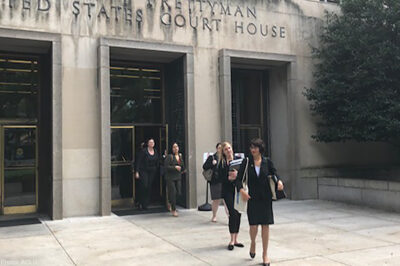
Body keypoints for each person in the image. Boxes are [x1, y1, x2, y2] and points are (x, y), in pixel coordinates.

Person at [237, 138, 284, 266]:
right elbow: (238, 180)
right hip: (252, 198)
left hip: (265, 198)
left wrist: (279, 181)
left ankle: (265, 254)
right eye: (251, 147)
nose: (253, 150)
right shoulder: (246, 162)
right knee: (253, 226)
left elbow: (275, 174)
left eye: (255, 147)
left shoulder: (267, 162)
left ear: (260, 149)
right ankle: (253, 243)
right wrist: (242, 191)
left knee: (265, 225)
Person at [217, 141, 244, 251]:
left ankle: (236, 238)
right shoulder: (222, 164)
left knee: (238, 213)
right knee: (232, 213)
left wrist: (237, 175)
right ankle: (231, 239)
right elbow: (219, 178)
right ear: (223, 152)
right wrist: (228, 178)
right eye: (226, 149)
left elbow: (244, 174)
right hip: (227, 190)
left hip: (238, 190)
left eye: (229, 148)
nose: (228, 150)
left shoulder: (239, 160)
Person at [203, 143, 228, 222]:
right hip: (215, 181)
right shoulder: (212, 157)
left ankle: (229, 217)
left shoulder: (225, 158)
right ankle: (214, 215)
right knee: (216, 200)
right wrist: (211, 163)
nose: (220, 149)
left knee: (226, 200)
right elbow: (204, 166)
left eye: (222, 148)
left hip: (224, 181)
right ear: (217, 148)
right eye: (219, 148)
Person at [135, 138, 160, 210]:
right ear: (148, 143)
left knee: (149, 187)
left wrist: (156, 168)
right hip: (143, 171)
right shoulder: (144, 151)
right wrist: (137, 171)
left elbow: (157, 161)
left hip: (152, 171)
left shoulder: (155, 151)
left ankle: (145, 204)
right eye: (150, 142)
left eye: (153, 142)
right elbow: (139, 161)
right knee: (144, 186)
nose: (152, 143)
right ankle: (140, 202)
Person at [164, 142, 185, 217]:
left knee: (178, 192)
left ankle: (170, 201)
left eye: (176, 147)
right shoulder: (170, 157)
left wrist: (183, 169)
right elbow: (166, 167)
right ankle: (173, 209)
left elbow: (182, 166)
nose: (175, 148)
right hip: (170, 177)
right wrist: (175, 167)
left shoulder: (180, 156)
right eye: (174, 147)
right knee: (173, 192)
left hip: (178, 177)